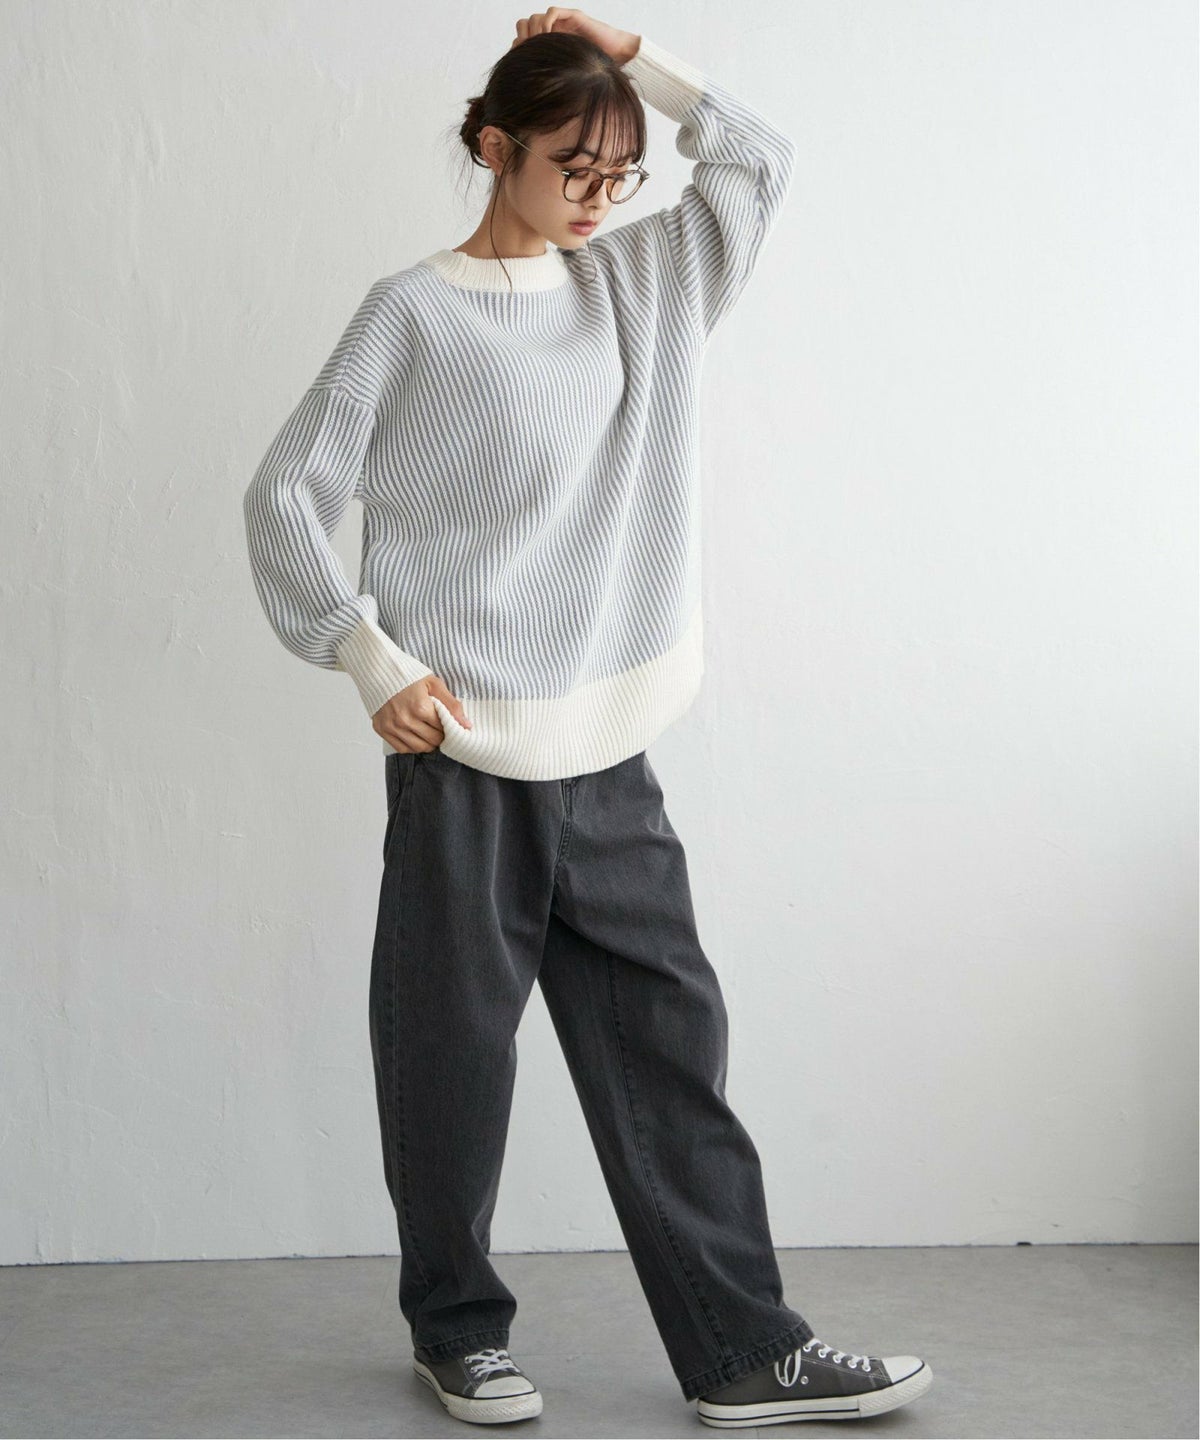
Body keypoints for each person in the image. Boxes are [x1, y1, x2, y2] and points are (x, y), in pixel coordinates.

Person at [243, 7, 933, 1429]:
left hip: (608, 749)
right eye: (575, 168)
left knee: (672, 1048)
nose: (603, 196)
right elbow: (287, 491)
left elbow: (756, 160)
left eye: (621, 174)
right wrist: (369, 659)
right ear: (495, 148)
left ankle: (745, 1351)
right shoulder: (412, 312)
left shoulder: (642, 282)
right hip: (463, 754)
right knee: (449, 1059)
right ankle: (458, 1333)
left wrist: (629, 58)